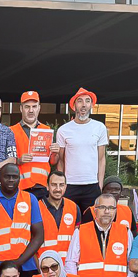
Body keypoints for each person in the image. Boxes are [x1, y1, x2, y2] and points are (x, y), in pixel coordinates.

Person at [56, 88, 108, 218]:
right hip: (70, 185)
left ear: (91, 105)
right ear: (74, 106)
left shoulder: (100, 127)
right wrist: (62, 185)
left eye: (87, 101)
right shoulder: (63, 130)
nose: (84, 105)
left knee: (91, 222)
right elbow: (60, 161)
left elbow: (101, 159)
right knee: (68, 221)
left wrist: (100, 185)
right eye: (80, 101)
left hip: (92, 185)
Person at [10, 91, 60, 202]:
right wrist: (18, 160)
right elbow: (5, 160)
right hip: (19, 186)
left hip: (42, 186)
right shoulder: (11, 131)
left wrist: (56, 152)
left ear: (39, 108)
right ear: (21, 109)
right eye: (27, 107)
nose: (31, 110)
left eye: (34, 106)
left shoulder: (47, 130)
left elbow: (53, 161)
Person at [37, 170, 80, 261]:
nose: (58, 189)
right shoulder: (36, 207)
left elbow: (77, 241)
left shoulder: (74, 208)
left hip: (68, 264)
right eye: (54, 185)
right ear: (47, 186)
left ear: (65, 187)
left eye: (61, 185)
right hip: (44, 264)